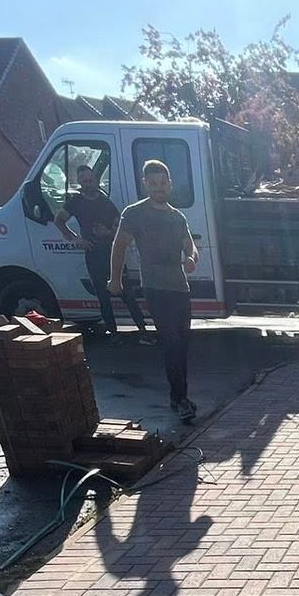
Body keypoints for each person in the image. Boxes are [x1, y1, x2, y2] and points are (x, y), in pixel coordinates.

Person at [108, 159, 198, 421]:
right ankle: (180, 399)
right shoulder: (135, 213)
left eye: (163, 183)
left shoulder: (177, 217)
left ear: (170, 184)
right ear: (145, 184)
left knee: (182, 344)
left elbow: (190, 246)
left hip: (180, 288)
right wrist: (115, 279)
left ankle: (179, 396)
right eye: (154, 183)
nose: (159, 188)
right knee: (171, 342)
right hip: (156, 288)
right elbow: (119, 245)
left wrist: (191, 258)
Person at [57, 164, 144, 335]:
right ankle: (113, 334)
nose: (88, 184)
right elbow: (59, 220)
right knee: (103, 298)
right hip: (93, 254)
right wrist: (75, 239)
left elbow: (120, 225)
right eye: (84, 181)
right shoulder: (75, 202)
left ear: (96, 180)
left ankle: (143, 331)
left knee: (127, 294)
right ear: (80, 183)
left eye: (90, 180)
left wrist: (109, 233)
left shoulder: (105, 202)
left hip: (112, 254)